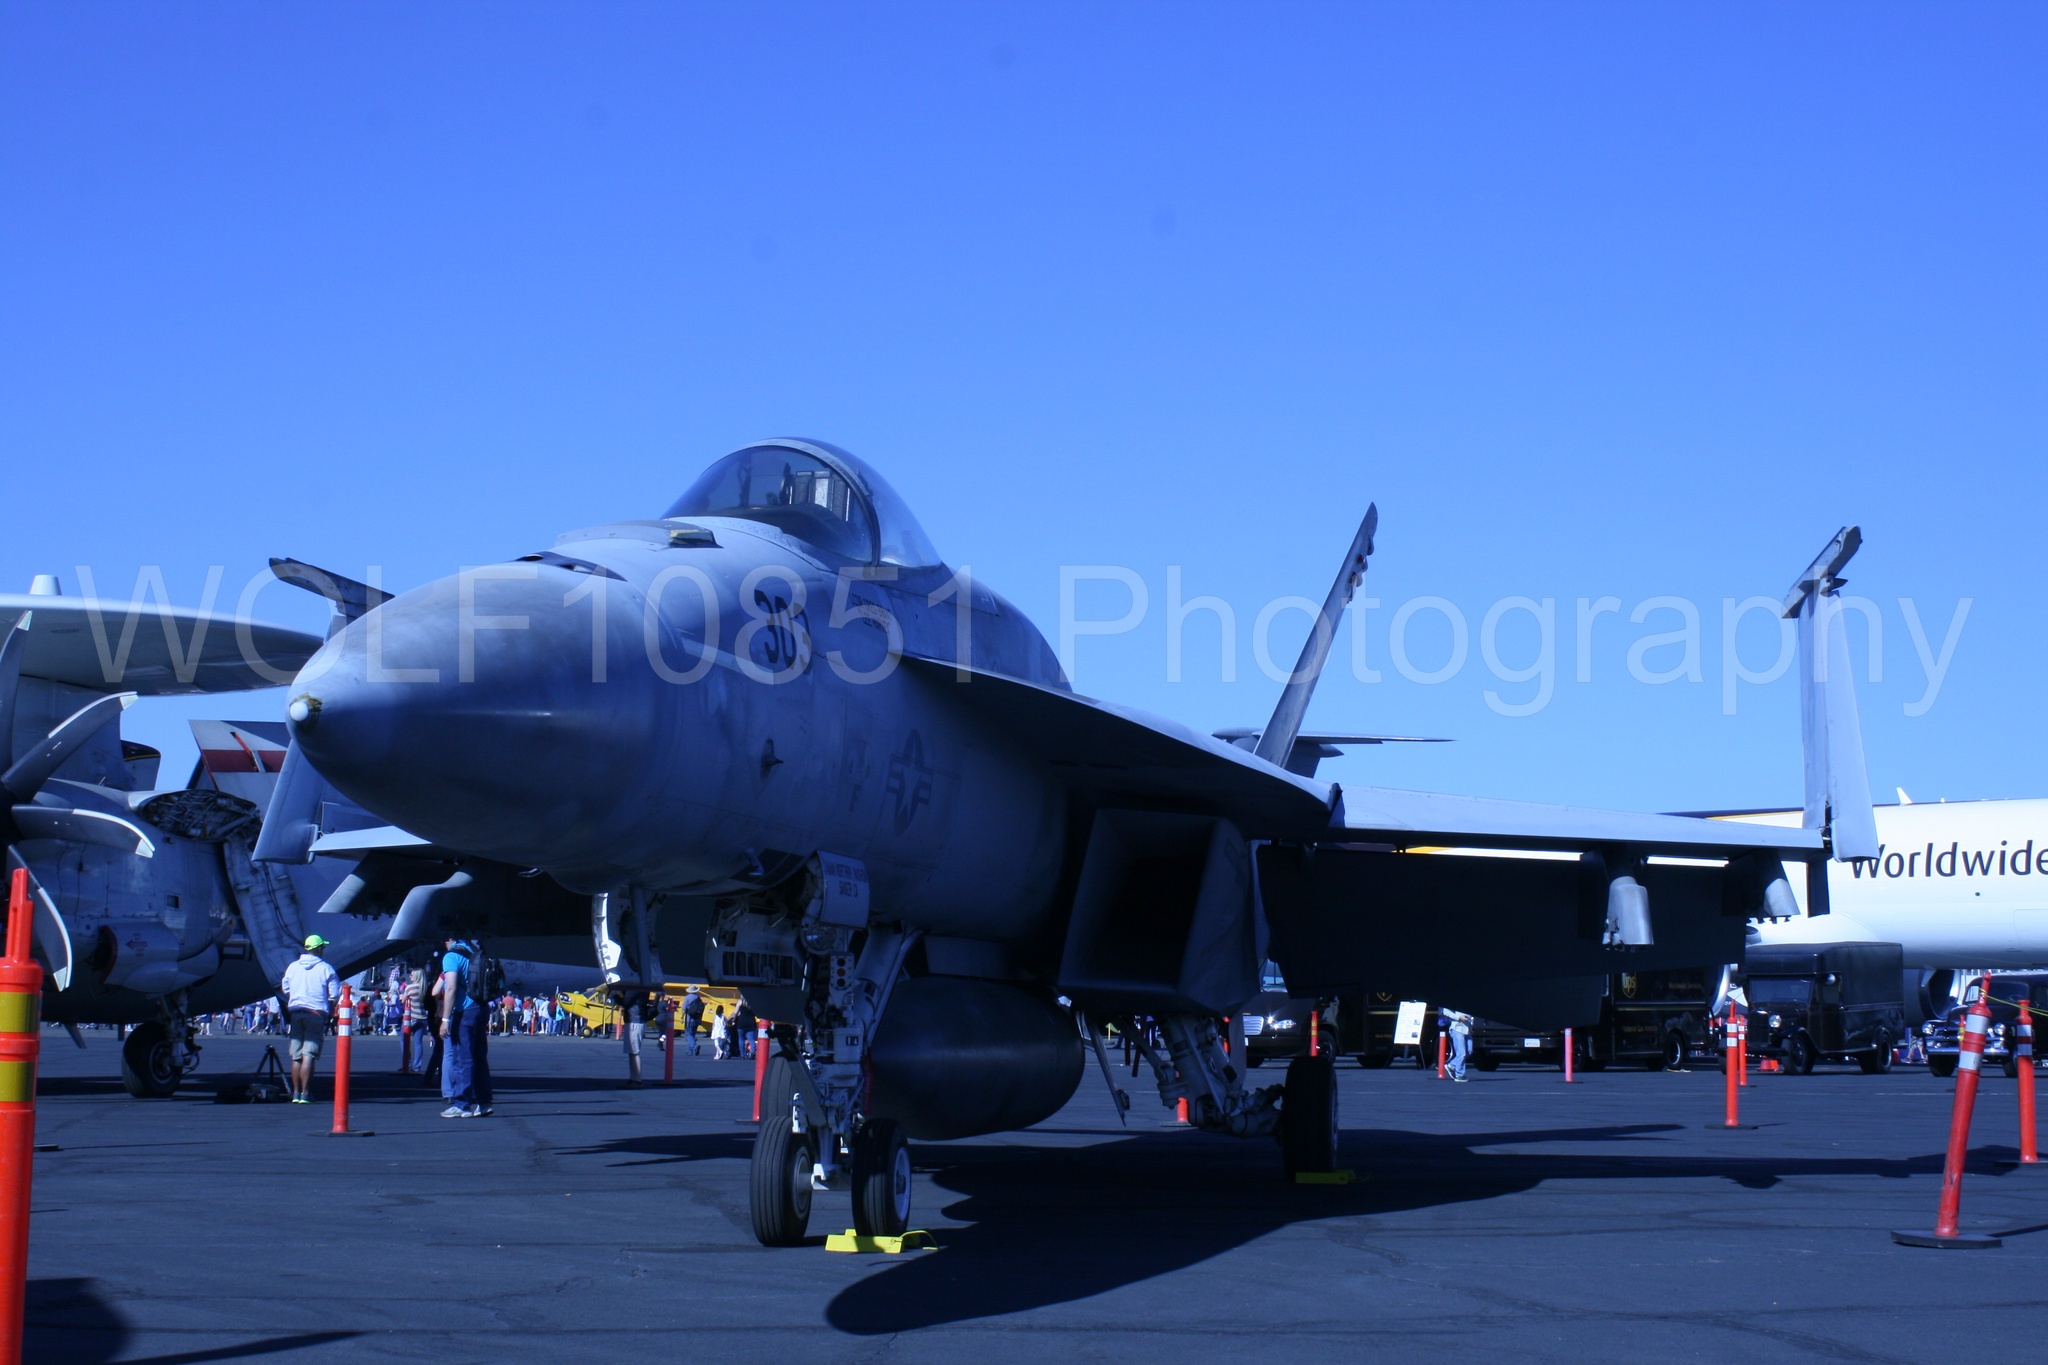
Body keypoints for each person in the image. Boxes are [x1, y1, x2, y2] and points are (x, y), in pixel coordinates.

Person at [279, 934, 340, 1104]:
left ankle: (296, 1093)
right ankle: (306, 1093)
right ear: (318, 949)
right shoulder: (326, 968)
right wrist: (329, 1007)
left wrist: (296, 996)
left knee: (296, 1055)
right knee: (309, 1054)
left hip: (297, 1012)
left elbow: (285, 987)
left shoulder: (293, 967)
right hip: (315, 1013)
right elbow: (335, 994)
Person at [437, 938, 494, 1117]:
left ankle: (462, 1104)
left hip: (464, 1010)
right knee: (479, 1058)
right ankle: (484, 1102)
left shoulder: (451, 956)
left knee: (463, 1058)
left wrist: (445, 1019)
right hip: (481, 1007)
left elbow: (451, 988)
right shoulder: (474, 952)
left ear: (448, 940)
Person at [620, 990, 648, 1087]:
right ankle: (634, 1078)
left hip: (635, 1020)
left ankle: (636, 1079)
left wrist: (614, 994)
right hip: (636, 1019)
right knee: (632, 1052)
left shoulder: (634, 988)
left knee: (634, 1052)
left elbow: (625, 1002)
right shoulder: (641, 987)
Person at [1442, 1007, 1475, 1082]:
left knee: (1469, 1050)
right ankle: (1459, 1075)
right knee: (1461, 1053)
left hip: (1467, 1029)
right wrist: (1459, 1017)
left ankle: (1452, 1065)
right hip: (1457, 1028)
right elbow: (1445, 1011)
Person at [682, 986, 705, 1057]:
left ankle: (695, 1046)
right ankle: (689, 1051)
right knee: (692, 1034)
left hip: (690, 1019)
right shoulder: (698, 998)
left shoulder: (687, 997)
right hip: (697, 1019)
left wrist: (682, 1017)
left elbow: (684, 1009)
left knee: (688, 1034)